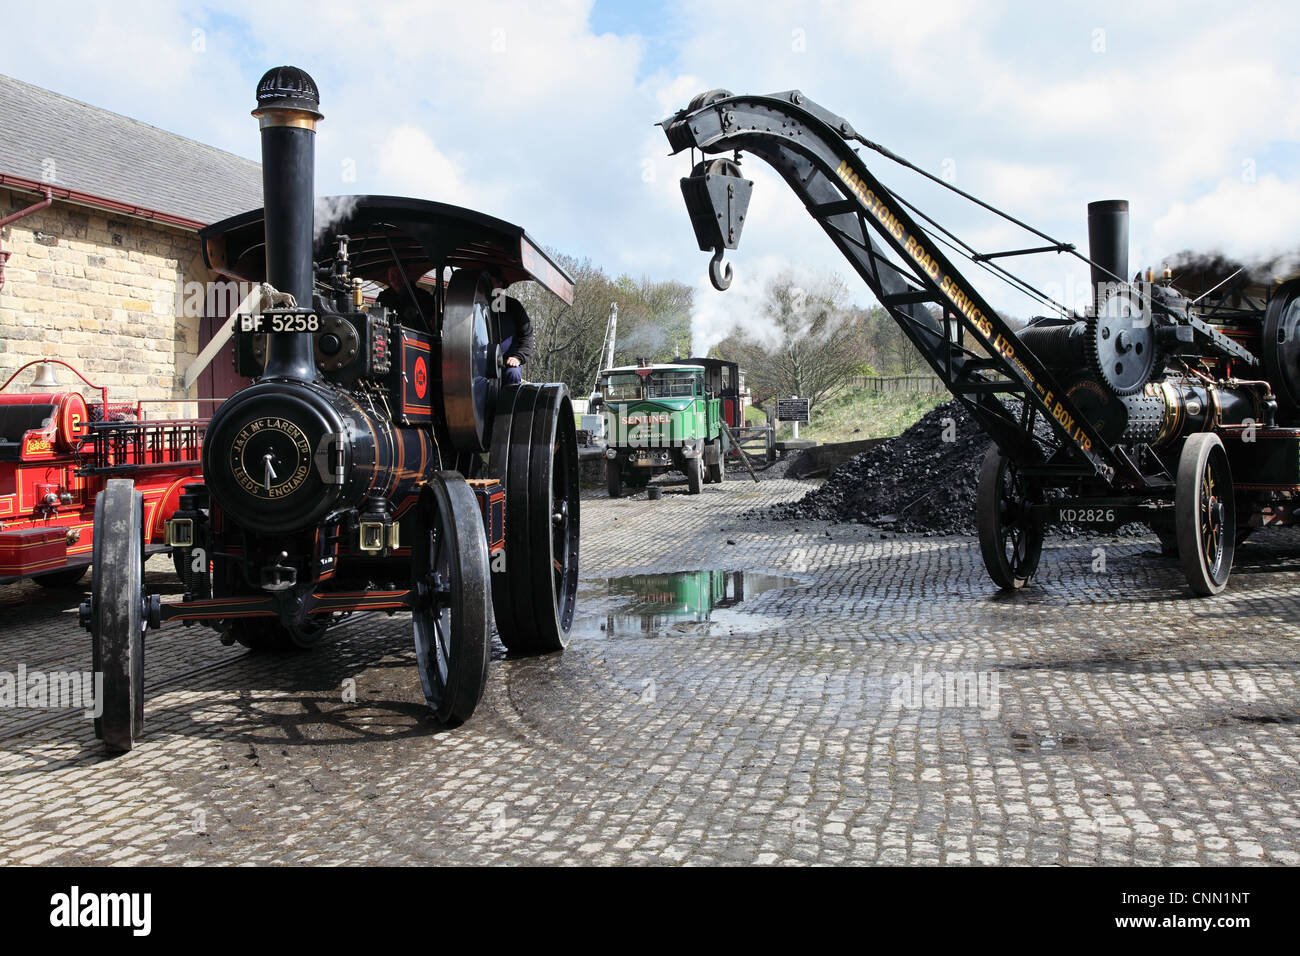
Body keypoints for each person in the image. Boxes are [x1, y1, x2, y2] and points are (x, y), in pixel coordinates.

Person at [377, 264, 436, 331]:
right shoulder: (383, 297)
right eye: (393, 276)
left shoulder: (425, 297)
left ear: (408, 275)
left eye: (400, 275)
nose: (397, 280)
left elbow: (434, 324)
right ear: (388, 277)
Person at [497, 296, 534, 386]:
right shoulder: (473, 304)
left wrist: (518, 357)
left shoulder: (513, 305)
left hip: (506, 364)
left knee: (513, 373)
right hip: (479, 363)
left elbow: (527, 336)